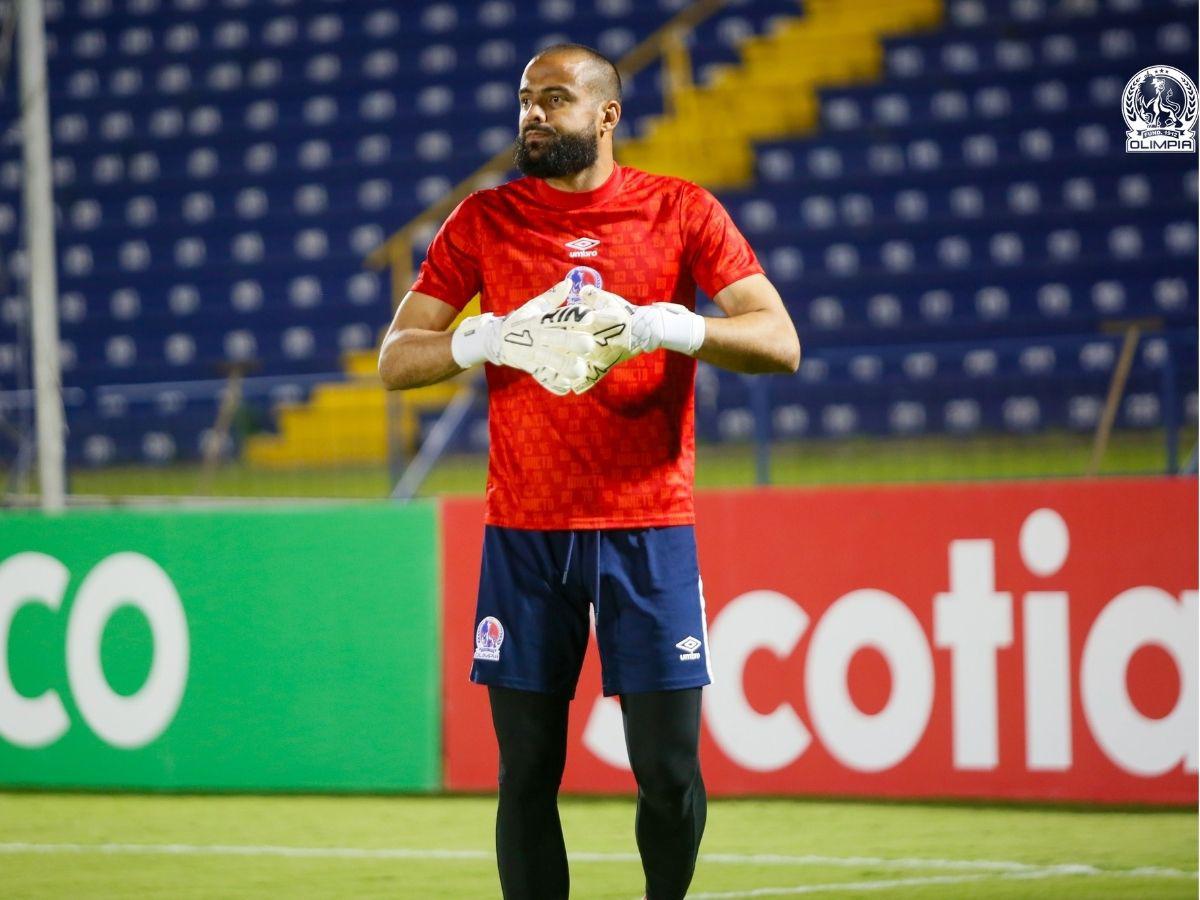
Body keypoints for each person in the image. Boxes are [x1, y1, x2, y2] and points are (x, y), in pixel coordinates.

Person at [378, 43, 800, 900]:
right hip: (526, 536)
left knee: (667, 769)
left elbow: (779, 340)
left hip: (649, 528)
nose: (533, 115)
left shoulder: (679, 211)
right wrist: (480, 337)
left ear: (607, 115)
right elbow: (395, 357)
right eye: (526, 100)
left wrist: (675, 329)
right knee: (526, 771)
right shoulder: (484, 221)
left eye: (556, 100)